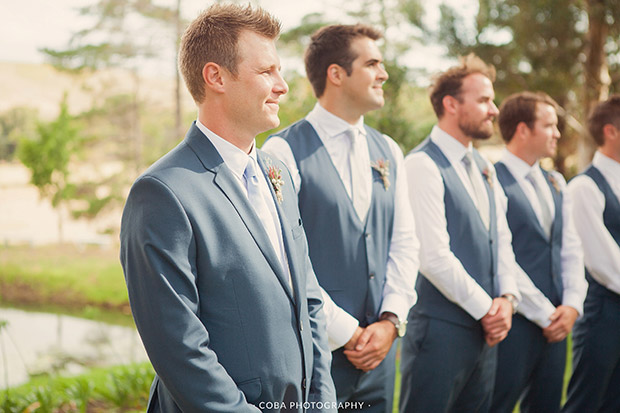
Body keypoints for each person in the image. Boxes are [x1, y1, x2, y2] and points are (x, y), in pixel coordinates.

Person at [119, 4, 336, 412]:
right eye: (266, 71)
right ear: (216, 76)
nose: (282, 86)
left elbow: (308, 302)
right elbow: (179, 348)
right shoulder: (162, 193)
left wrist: (322, 403)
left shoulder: (279, 175)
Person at [262, 24, 419, 412]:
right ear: (336, 73)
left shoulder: (390, 151)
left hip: (380, 359)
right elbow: (285, 259)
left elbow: (404, 242)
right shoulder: (284, 150)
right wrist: (348, 332)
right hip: (317, 359)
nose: (383, 74)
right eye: (372, 64)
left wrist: (391, 321)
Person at [399, 54, 553, 413]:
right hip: (440, 334)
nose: (494, 110)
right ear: (451, 104)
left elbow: (502, 244)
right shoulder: (422, 165)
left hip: (486, 335)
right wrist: (489, 309)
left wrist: (509, 298)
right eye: (483, 100)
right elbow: (433, 256)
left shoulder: (484, 167)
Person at [490, 91, 586, 413]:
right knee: (498, 404)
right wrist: (544, 312)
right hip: (514, 322)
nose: (557, 133)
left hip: (557, 324)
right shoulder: (491, 180)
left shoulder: (556, 181)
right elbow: (501, 255)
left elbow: (571, 249)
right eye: (548, 125)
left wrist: (571, 305)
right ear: (522, 129)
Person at [563, 95, 620, 413]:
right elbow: (602, 262)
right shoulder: (584, 188)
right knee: (587, 402)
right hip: (602, 314)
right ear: (610, 131)